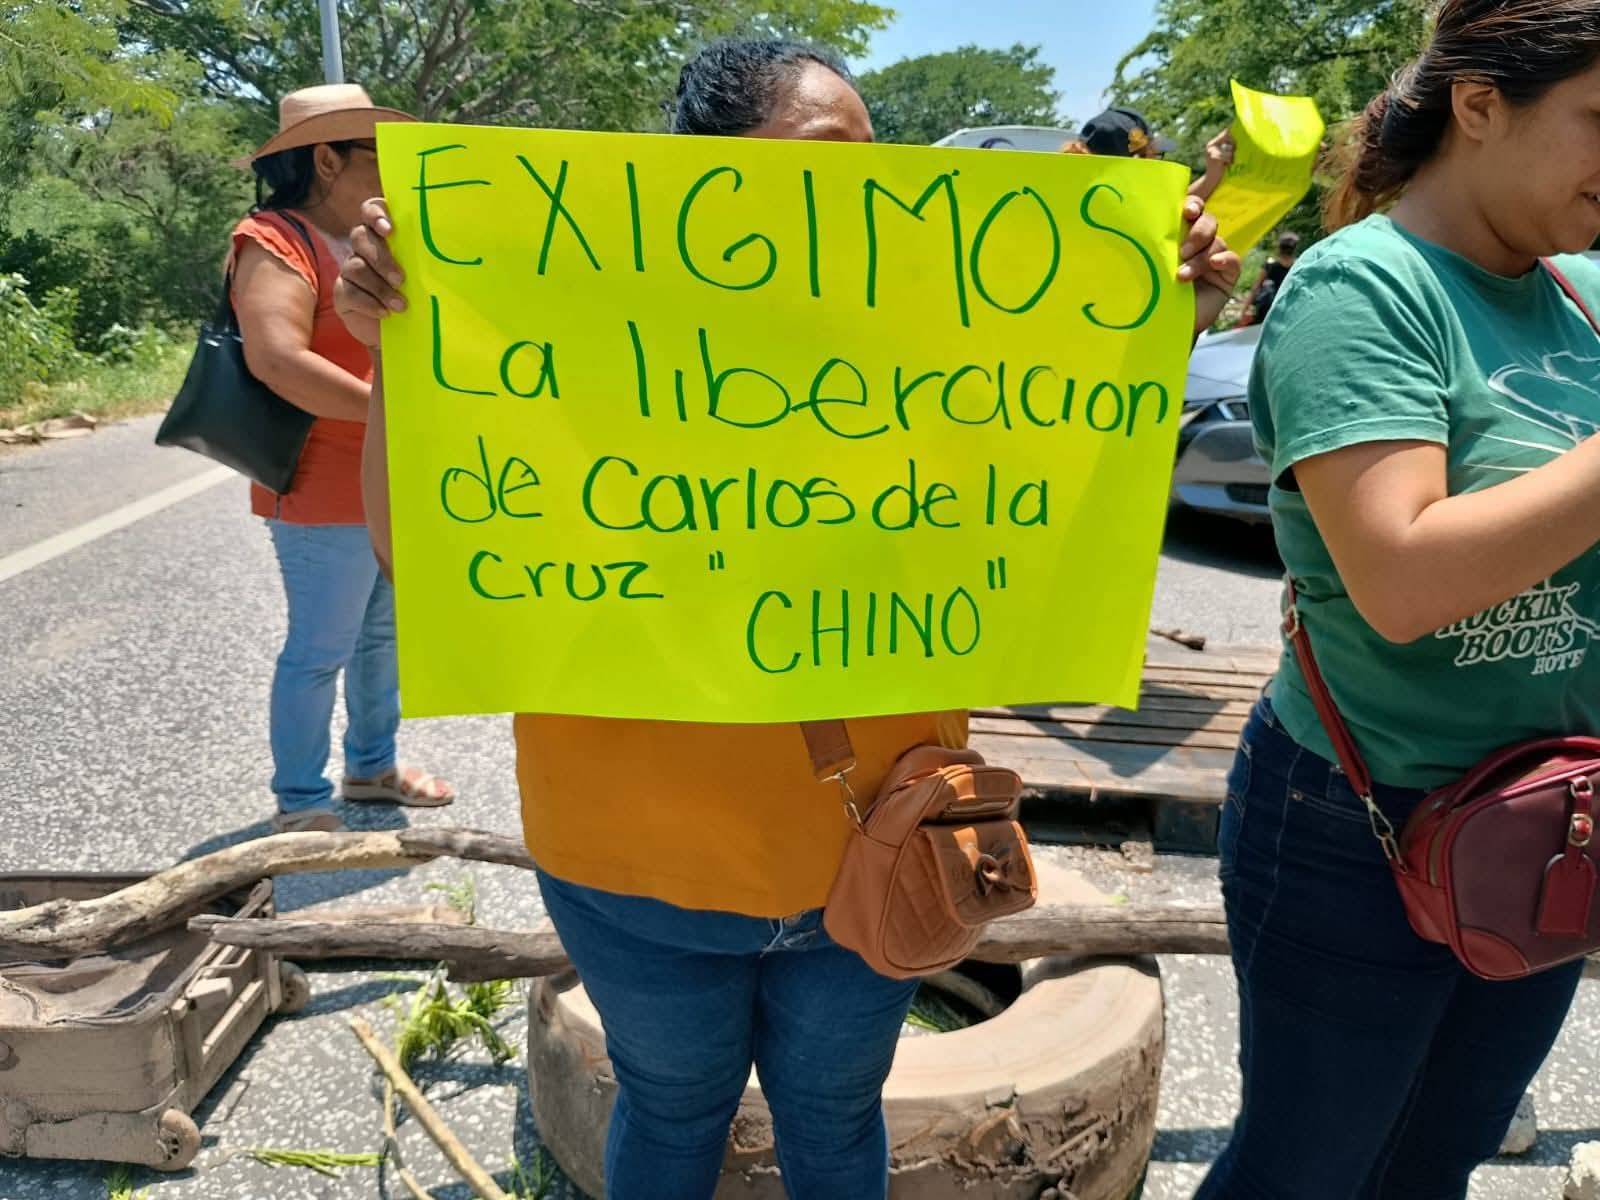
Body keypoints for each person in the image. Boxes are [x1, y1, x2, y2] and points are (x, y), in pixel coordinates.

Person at [335, 40, 1237, 1200]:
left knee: (834, 1115)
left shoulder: (933, 337)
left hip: (875, 843)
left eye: (873, 161)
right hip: (634, 868)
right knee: (670, 1114)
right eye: (826, 157)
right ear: (690, 185)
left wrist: (1156, 328)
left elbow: (1059, 503)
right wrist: (396, 358)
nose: (862, 189)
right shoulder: (561, 342)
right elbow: (420, 552)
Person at [1197, 2, 1600, 1196]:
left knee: (1442, 1153)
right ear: (1479, 105)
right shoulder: (1362, 288)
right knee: (1304, 1168)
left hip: (1548, 814)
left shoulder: (1578, 286)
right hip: (1356, 825)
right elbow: (1406, 579)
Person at [231, 84, 454, 834]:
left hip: (391, 481)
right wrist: (399, 412)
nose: (396, 169)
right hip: (323, 488)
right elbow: (279, 361)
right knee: (320, 648)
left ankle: (371, 769)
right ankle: (299, 802)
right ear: (326, 159)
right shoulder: (273, 241)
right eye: (378, 155)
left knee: (383, 637)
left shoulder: (383, 235)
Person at [1066, 109, 1234, 200]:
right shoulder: (1121, 207)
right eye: (1150, 156)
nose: (1155, 163)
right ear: (1135, 160)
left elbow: (1175, 205)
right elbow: (1171, 209)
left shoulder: (1061, 194)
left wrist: (1213, 173)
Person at [1235, 231, 1301, 327]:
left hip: (1269, 311)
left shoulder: (1270, 265)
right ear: (1294, 248)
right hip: (1290, 309)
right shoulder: (1298, 265)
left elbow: (1256, 287)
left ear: (1279, 248)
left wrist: (1244, 310)